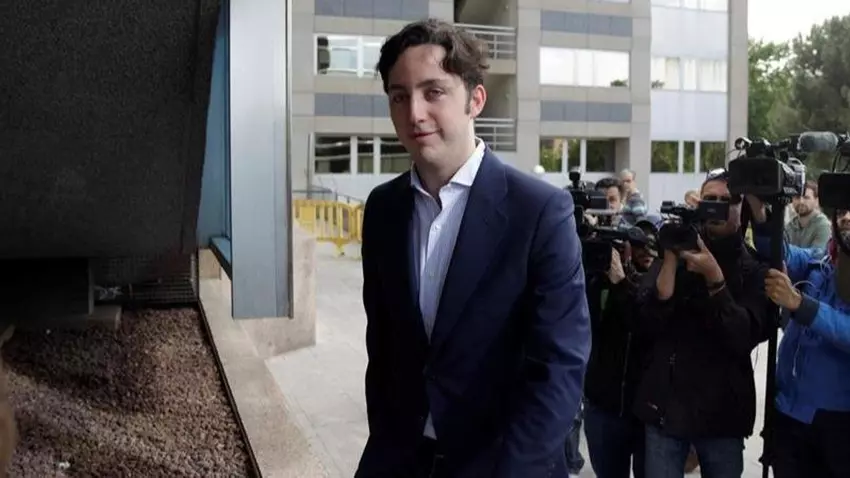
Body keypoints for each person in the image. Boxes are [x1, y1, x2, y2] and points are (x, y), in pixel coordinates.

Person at [355, 19, 591, 478]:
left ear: (476, 100)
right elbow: (382, 349)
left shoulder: (540, 211)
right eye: (399, 96)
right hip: (399, 460)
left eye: (434, 92)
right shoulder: (383, 208)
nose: (414, 113)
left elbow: (559, 367)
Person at [634, 170, 772, 478]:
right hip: (667, 408)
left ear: (741, 208)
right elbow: (645, 323)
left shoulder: (753, 268)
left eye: (728, 200)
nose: (718, 207)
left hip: (722, 415)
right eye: (710, 199)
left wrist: (714, 279)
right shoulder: (678, 247)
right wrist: (670, 263)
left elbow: (744, 335)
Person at [747, 195, 850, 477]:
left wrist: (800, 304)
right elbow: (780, 254)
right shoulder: (820, 261)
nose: (846, 217)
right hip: (789, 413)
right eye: (843, 210)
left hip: (838, 421)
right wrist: (761, 214)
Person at [582, 220, 659, 478]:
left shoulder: (663, 283)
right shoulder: (602, 279)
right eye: (637, 246)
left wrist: (621, 283)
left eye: (651, 245)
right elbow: (586, 324)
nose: (645, 251)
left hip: (646, 411)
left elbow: (643, 323)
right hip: (603, 405)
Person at [786, 180, 831, 249]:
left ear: (817, 201)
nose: (801, 201)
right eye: (797, 197)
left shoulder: (823, 225)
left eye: (806, 197)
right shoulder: (789, 226)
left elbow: (817, 253)